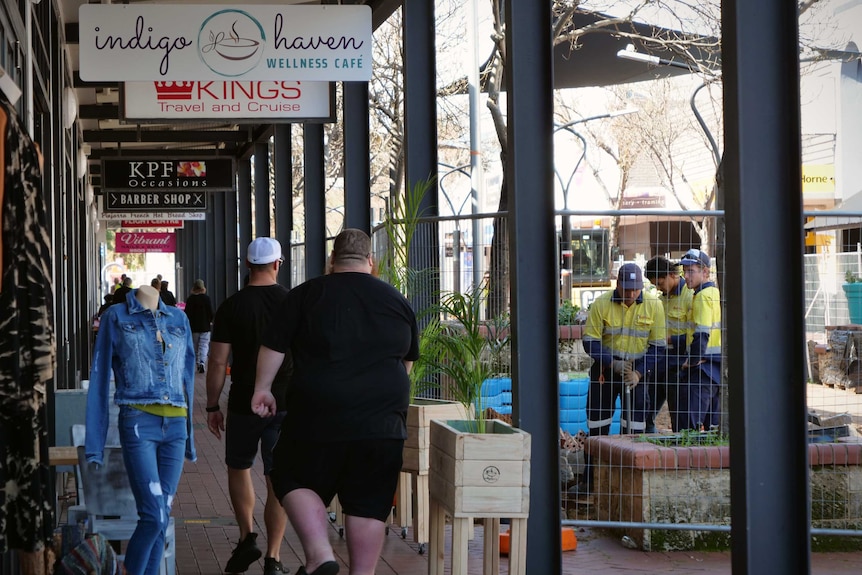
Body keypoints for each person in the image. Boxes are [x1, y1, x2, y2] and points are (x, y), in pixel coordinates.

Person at [253, 228, 419, 575]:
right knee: (369, 504)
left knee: (290, 474)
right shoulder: (396, 300)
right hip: (382, 424)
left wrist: (263, 388)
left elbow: (274, 346)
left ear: (332, 261)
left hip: (318, 415)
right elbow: (405, 363)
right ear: (370, 261)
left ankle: (319, 556)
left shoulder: (305, 295)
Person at [85, 285, 196, 575]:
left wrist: (190, 435)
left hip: (176, 427)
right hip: (138, 423)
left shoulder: (178, 319)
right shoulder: (116, 317)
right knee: (154, 515)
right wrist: (94, 442)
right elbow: (99, 377)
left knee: (161, 514)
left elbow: (187, 376)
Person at [206, 238, 291, 575]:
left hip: (243, 401)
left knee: (239, 467)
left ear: (247, 265)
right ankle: (273, 556)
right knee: (277, 477)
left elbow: (216, 362)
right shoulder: (292, 303)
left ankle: (246, 537)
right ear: (278, 264)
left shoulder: (231, 306)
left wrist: (213, 405)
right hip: (284, 402)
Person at [580, 263, 665, 491]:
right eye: (626, 289)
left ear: (641, 287)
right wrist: (612, 363)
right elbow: (590, 341)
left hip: (637, 374)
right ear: (617, 284)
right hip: (605, 372)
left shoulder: (654, 305)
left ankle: (630, 485)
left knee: (634, 429)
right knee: (598, 426)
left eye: (634, 289)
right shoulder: (601, 304)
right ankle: (592, 482)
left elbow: (658, 347)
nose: (630, 294)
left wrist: (638, 372)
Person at [643, 256, 693, 433]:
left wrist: (670, 339)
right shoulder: (661, 299)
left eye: (660, 282)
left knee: (679, 417)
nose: (658, 287)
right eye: (654, 284)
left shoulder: (690, 295)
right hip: (658, 363)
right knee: (645, 413)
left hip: (679, 365)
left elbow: (696, 335)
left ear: (672, 274)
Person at [678, 249, 723, 431]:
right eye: (684, 271)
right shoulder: (713, 293)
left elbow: (701, 334)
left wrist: (692, 361)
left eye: (691, 271)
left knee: (690, 426)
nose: (686, 276)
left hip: (702, 370)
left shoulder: (702, 297)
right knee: (712, 425)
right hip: (714, 367)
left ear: (705, 272)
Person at [184, 279, 214, 374]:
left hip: (193, 328)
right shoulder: (206, 298)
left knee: (195, 346)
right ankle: (202, 362)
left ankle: (196, 363)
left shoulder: (190, 299)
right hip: (205, 327)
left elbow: (187, 314)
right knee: (204, 345)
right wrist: (210, 320)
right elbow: (210, 312)